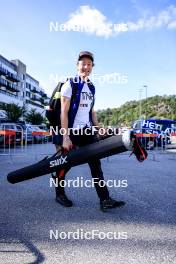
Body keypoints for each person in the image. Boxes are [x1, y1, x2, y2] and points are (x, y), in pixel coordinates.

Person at [52, 51, 125, 211]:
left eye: (89, 64)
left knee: (96, 164)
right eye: (83, 63)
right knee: (63, 164)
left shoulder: (91, 87)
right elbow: (63, 112)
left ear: (92, 67)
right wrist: (65, 137)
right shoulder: (70, 84)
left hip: (87, 132)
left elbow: (91, 112)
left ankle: (105, 199)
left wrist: (99, 129)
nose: (86, 66)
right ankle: (59, 194)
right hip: (70, 132)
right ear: (77, 65)